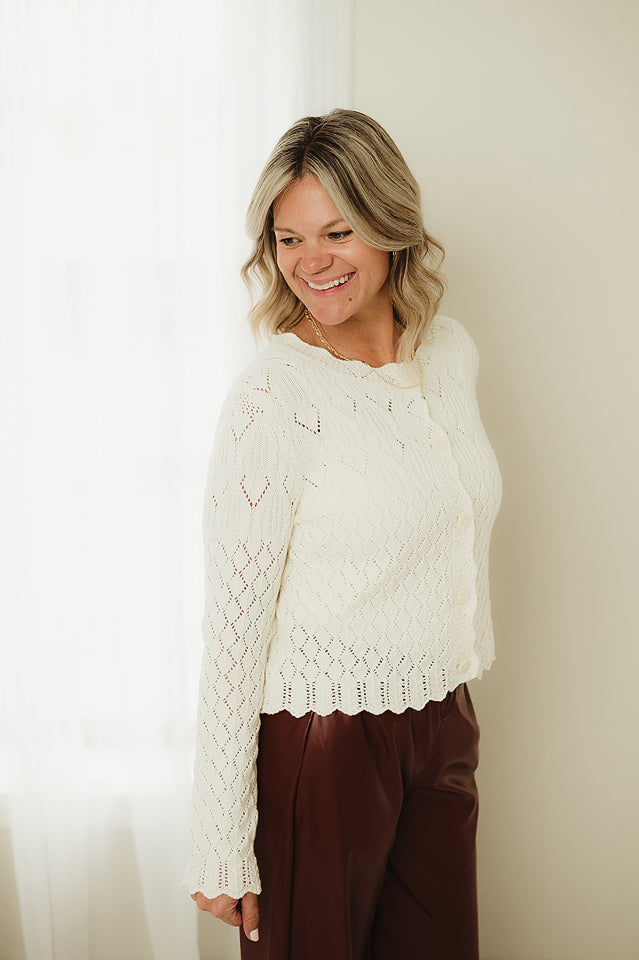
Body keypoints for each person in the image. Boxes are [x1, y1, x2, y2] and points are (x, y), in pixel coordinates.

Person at [182, 108, 502, 960]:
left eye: (337, 231)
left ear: (390, 225)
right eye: (288, 239)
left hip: (443, 718)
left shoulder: (449, 353)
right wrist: (220, 834)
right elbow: (233, 629)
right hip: (321, 739)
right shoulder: (273, 396)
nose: (311, 261)